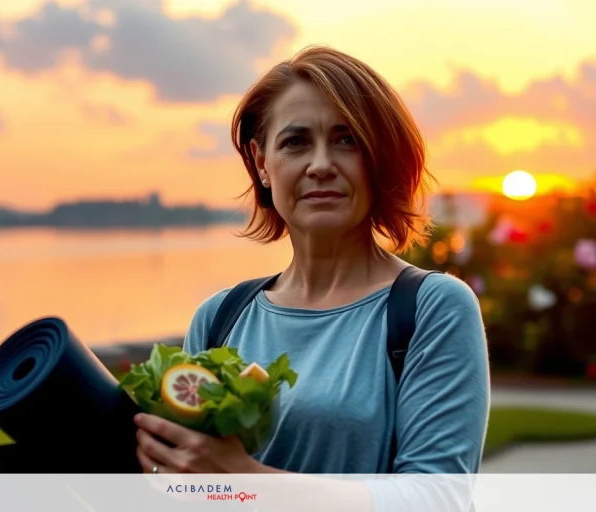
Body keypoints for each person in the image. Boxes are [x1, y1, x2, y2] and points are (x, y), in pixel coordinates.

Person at [133, 45, 489, 488]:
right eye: (295, 142)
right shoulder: (219, 317)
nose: (321, 165)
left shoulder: (431, 308)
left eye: (347, 140)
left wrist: (250, 482)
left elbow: (435, 498)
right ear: (262, 163)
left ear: (379, 158)